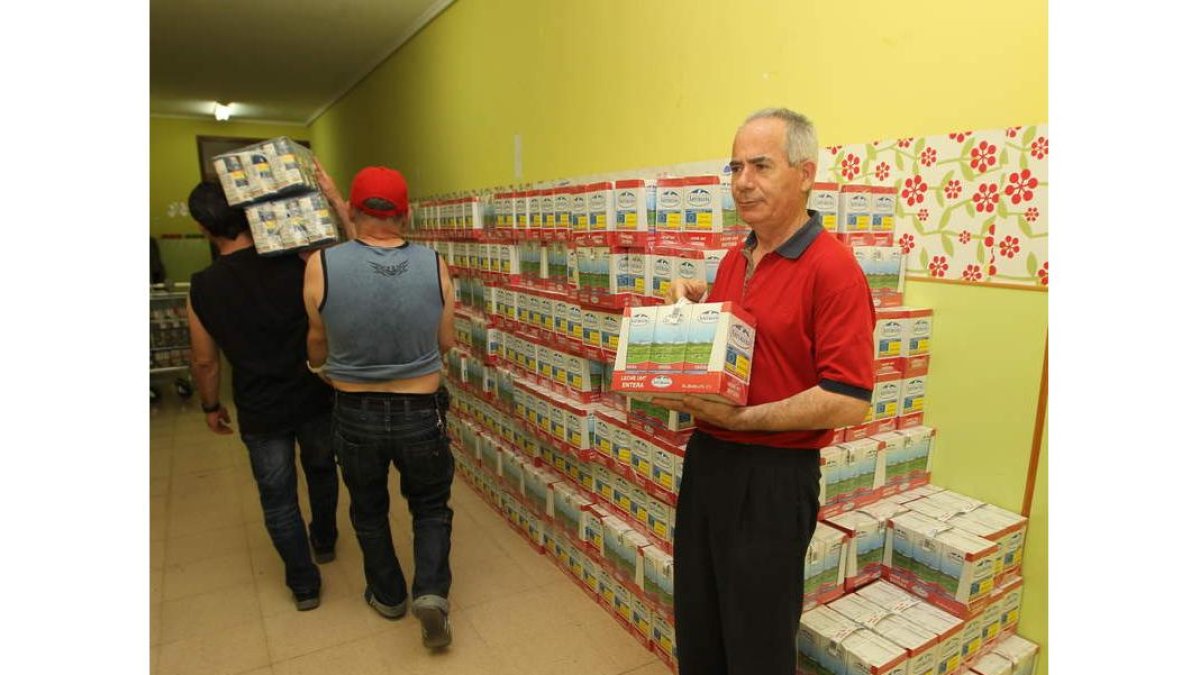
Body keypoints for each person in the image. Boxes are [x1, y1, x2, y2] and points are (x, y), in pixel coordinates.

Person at [654, 108, 877, 675]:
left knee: (756, 639)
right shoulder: (736, 258)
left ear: (805, 173)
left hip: (774, 479)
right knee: (701, 622)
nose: (742, 182)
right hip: (710, 464)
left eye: (760, 166)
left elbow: (849, 395)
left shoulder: (835, 269)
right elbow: (747, 346)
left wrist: (741, 420)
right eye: (735, 167)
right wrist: (694, 309)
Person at [302, 165, 457, 650]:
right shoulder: (434, 263)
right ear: (406, 214)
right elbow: (446, 341)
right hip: (420, 409)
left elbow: (317, 343)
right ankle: (430, 592)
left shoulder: (321, 265)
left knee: (368, 509)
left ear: (350, 211)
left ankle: (388, 595)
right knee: (430, 508)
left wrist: (321, 366)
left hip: (354, 413)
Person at [184, 180, 344, 611]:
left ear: (204, 227)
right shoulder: (296, 264)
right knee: (322, 470)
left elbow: (204, 360)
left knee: (278, 497)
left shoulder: (202, 286)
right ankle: (325, 541)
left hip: (259, 406)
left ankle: (304, 584)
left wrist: (211, 405)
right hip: (313, 393)